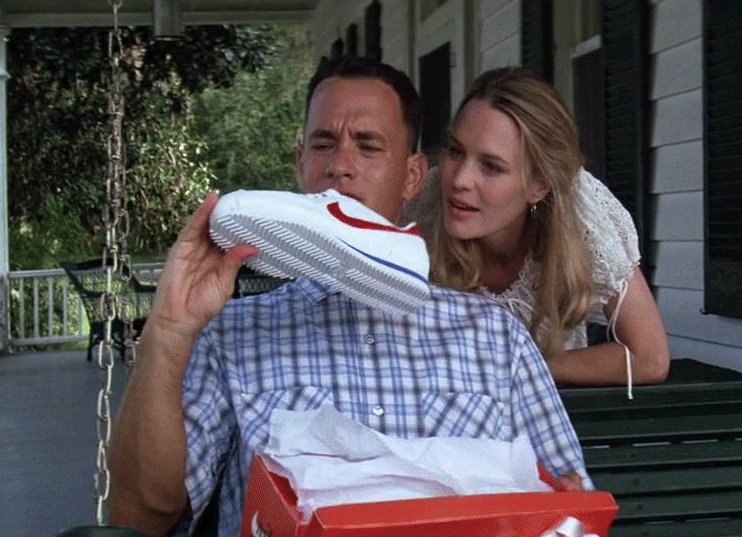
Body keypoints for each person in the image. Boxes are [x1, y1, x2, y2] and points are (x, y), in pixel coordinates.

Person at [107, 56, 589, 537]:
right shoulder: (233, 334)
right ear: (300, 164)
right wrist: (169, 330)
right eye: (323, 145)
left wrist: (562, 510)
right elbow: (139, 517)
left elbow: (573, 511)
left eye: (368, 146)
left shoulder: (495, 338)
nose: (339, 166)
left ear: (412, 177)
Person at [416, 67, 671, 392]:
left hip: (555, 409)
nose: (459, 180)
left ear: (540, 185)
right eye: (456, 151)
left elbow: (649, 358)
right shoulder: (421, 209)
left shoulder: (582, 219)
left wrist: (521, 365)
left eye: (491, 167)